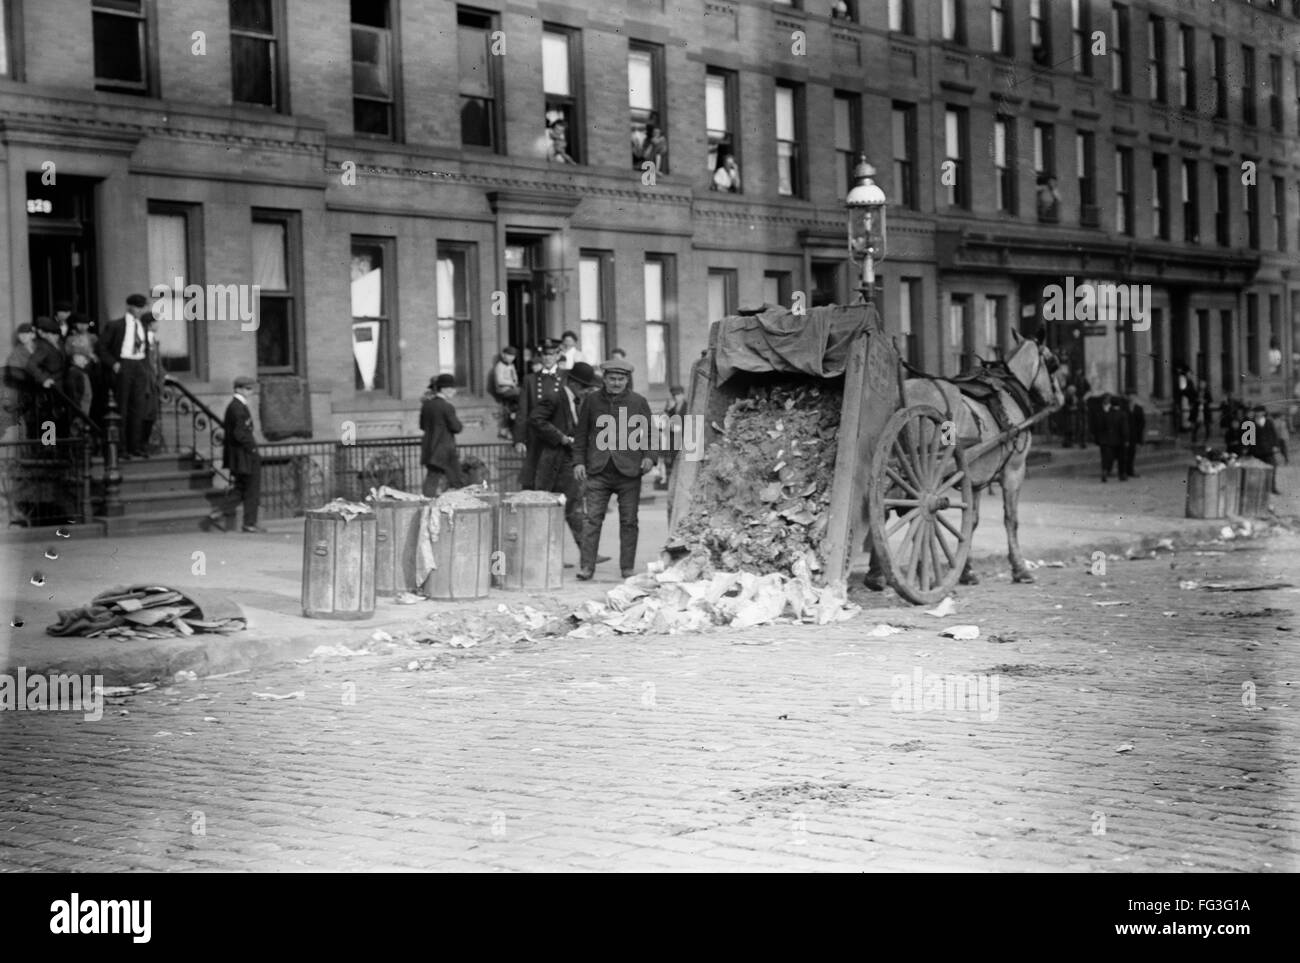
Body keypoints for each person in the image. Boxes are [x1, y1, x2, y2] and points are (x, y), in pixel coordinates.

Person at [572, 358, 657, 580]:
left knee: (629, 521)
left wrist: (649, 457)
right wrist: (578, 462)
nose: (617, 383)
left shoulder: (638, 402)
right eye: (612, 379)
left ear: (627, 380)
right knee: (592, 520)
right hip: (598, 471)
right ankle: (587, 567)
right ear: (605, 380)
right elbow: (581, 435)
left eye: (621, 379)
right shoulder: (591, 401)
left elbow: (650, 433)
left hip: (629, 471)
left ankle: (627, 567)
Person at [530, 361, 602, 560]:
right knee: (559, 508)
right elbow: (536, 419)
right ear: (576, 385)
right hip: (554, 461)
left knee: (572, 505)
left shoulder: (577, 402)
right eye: (586, 388)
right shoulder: (554, 397)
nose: (588, 393)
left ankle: (583, 553)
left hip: (569, 461)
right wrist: (561, 437)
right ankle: (551, 556)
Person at [205, 376, 264, 533]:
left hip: (240, 457)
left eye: (251, 388)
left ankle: (220, 511)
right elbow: (240, 433)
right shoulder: (237, 407)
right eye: (247, 388)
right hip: (245, 456)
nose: (250, 391)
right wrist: (252, 449)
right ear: (238, 389)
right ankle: (249, 523)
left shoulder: (236, 406)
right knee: (251, 489)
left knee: (241, 488)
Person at [97, 293, 153, 459]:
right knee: (122, 407)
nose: (139, 310)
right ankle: (121, 449)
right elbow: (101, 347)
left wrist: (144, 366)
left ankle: (134, 446)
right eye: (136, 307)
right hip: (124, 364)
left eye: (141, 307)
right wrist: (114, 363)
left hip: (139, 364)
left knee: (138, 408)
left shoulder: (142, 325)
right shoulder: (116, 325)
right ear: (129, 307)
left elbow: (146, 347)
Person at [513, 338, 565, 489]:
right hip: (536, 438)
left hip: (559, 435)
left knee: (560, 480)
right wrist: (519, 439)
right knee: (534, 479)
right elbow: (523, 410)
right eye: (545, 355)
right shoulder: (530, 379)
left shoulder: (566, 377)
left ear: (558, 356)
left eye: (551, 354)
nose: (547, 358)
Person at [419, 374, 463, 496]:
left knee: (432, 479)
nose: (454, 391)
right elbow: (457, 427)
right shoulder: (447, 407)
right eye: (452, 388)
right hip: (445, 450)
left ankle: (426, 504)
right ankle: (463, 507)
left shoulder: (426, 406)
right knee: (457, 481)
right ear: (444, 389)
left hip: (430, 449)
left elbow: (422, 426)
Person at [26, 316, 67, 439]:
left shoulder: (59, 343)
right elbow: (30, 365)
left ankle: (60, 446)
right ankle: (48, 446)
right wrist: (44, 379)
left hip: (61, 385)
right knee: (48, 417)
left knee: (59, 416)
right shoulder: (43, 346)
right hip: (50, 387)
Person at [1, 323, 37, 438]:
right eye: (20, 335)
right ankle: (29, 451)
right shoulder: (17, 352)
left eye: (25, 334)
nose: (22, 337)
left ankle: (49, 448)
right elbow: (14, 372)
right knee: (26, 422)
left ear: (32, 334)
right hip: (27, 390)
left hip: (42, 390)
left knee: (46, 422)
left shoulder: (39, 348)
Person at [139, 311, 166, 455]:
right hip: (145, 384)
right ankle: (142, 443)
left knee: (151, 415)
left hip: (154, 383)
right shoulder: (143, 340)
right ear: (150, 324)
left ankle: (147, 443)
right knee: (145, 415)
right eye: (156, 322)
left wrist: (163, 376)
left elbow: (157, 363)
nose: (158, 325)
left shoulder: (153, 340)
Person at [1247, 405, 1286, 494]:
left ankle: (1272, 488)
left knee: (1272, 468)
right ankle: (1259, 489)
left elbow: (1274, 435)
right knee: (1257, 470)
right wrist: (1249, 449)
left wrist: (1275, 446)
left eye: (1260, 411)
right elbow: (1247, 439)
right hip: (1256, 451)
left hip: (1268, 450)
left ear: (1264, 412)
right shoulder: (1250, 423)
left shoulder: (1269, 422)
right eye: (1256, 411)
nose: (1258, 413)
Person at [657, 384, 687, 490]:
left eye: (678, 394)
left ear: (683, 394)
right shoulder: (672, 409)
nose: (676, 397)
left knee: (684, 467)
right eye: (674, 395)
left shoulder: (688, 407)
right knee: (675, 467)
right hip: (674, 443)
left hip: (684, 441)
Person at [488, 346, 520, 440]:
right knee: (521, 395)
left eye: (513, 356)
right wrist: (511, 383)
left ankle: (515, 414)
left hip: (511, 390)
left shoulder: (511, 365)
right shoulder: (499, 366)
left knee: (522, 396)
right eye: (509, 355)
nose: (511, 358)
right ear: (503, 355)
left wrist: (515, 380)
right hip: (503, 391)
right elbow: (499, 381)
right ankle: (514, 415)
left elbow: (515, 377)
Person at [1097, 393, 1129, 482]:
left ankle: (1105, 471)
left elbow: (1101, 426)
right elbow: (1124, 429)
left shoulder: (1107, 413)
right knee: (1121, 458)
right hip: (1119, 440)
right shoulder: (1122, 414)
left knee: (1107, 458)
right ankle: (1122, 474)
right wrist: (1126, 439)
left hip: (1107, 439)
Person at [1123, 391, 1145, 478]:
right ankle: (1124, 471)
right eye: (1129, 396)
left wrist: (1138, 432)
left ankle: (1130, 470)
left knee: (1132, 453)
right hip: (1126, 434)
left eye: (1133, 396)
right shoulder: (1124, 408)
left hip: (1134, 434)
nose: (1131, 398)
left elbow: (1142, 422)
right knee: (1125, 453)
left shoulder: (1138, 408)